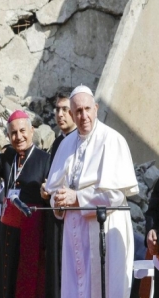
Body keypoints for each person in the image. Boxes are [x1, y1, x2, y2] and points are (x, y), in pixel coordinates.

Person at [45, 85, 139, 298]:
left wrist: (77, 198)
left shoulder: (112, 140)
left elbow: (115, 195)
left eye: (87, 109)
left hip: (104, 232)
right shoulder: (65, 144)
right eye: (78, 111)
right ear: (71, 114)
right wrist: (58, 202)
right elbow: (53, 193)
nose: (84, 115)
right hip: (74, 234)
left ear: (96, 108)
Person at [0, 92, 50, 298]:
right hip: (8, 234)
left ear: (32, 131)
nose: (19, 137)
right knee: (6, 284)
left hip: (31, 236)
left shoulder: (45, 160)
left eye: (23, 131)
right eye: (13, 133)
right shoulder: (9, 157)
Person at [41, 89, 77, 298]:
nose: (60, 114)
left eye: (66, 109)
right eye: (58, 109)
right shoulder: (57, 142)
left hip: (72, 217)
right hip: (55, 217)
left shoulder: (79, 140)